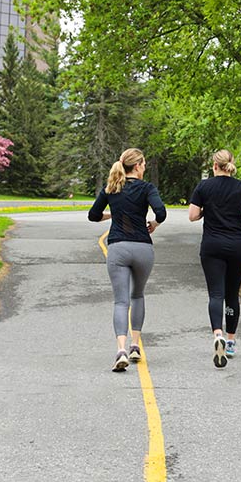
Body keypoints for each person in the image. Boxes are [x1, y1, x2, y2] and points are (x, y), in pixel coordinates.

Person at [88, 148, 167, 372]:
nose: (145, 167)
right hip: (142, 247)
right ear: (138, 165)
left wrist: (112, 213)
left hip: (118, 248)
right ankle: (135, 345)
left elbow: (93, 215)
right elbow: (160, 212)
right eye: (143, 164)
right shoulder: (147, 188)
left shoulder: (112, 188)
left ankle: (120, 350)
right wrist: (154, 224)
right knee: (138, 295)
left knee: (121, 301)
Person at [188, 149, 241, 368]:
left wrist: (205, 211)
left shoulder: (204, 187)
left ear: (214, 166)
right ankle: (230, 341)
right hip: (239, 245)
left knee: (216, 294)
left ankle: (217, 334)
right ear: (231, 165)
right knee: (232, 294)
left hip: (212, 245)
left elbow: (192, 215)